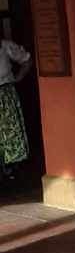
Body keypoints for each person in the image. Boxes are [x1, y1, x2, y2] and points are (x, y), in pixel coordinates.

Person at [0, 35, 31, 184]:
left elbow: (26, 60)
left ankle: (11, 167)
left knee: (9, 131)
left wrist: (18, 78)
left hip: (5, 93)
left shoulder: (6, 46)